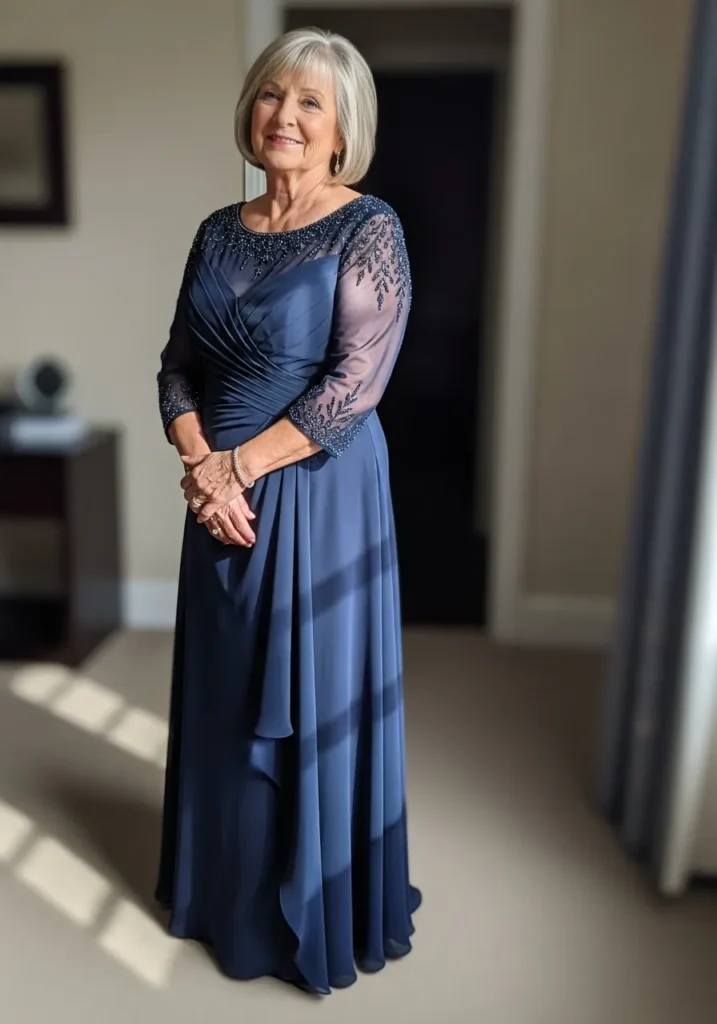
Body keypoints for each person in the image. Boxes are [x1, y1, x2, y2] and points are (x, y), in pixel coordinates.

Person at [155, 26, 421, 995]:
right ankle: (222, 896)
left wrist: (235, 468)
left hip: (317, 490)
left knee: (313, 700)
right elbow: (176, 368)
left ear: (344, 129)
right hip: (217, 498)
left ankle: (307, 910)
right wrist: (202, 467)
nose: (287, 117)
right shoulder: (216, 230)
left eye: (312, 102)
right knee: (226, 694)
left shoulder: (369, 227)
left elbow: (355, 386)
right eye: (273, 95)